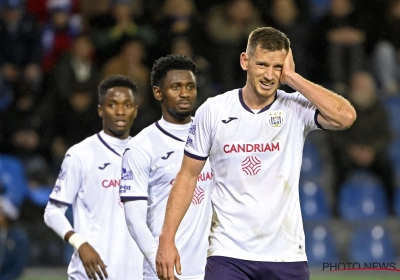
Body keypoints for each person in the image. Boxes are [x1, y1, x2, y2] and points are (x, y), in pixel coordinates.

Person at [156, 27, 356, 280]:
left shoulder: (295, 107)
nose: (270, 75)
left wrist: (293, 78)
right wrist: (167, 239)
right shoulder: (214, 110)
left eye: (277, 67)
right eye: (262, 64)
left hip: (286, 254)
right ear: (245, 61)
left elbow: (345, 117)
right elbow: (187, 176)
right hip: (228, 254)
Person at [120, 54, 213, 279]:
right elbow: (134, 219)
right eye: (176, 87)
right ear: (158, 92)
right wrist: (159, 262)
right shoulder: (141, 146)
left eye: (190, 86)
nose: (185, 94)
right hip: (165, 272)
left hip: (213, 270)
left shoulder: (212, 136)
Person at [44, 75, 143, 280]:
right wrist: (79, 243)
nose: (120, 111)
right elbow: (52, 211)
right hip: (91, 273)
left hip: (137, 273)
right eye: (112, 104)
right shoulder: (81, 155)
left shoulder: (146, 155)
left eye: (127, 105)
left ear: (136, 109)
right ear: (100, 110)